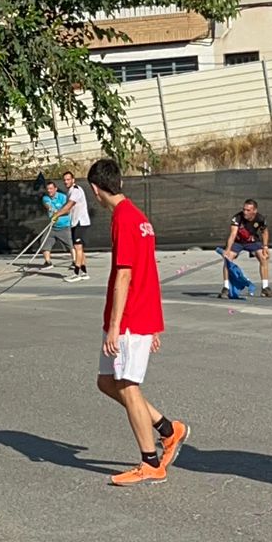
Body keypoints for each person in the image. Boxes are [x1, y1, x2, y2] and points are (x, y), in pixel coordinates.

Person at [89, 157, 188, 486]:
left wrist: (118, 326)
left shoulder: (123, 219)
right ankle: (166, 429)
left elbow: (126, 274)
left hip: (129, 317)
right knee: (107, 382)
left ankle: (150, 462)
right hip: (136, 315)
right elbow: (150, 272)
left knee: (128, 385)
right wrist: (153, 324)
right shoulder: (138, 217)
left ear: (95, 189)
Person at [222, 198, 272, 298]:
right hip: (238, 242)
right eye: (244, 209)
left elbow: (264, 232)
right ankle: (226, 288)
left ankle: (265, 288)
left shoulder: (260, 219)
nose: (245, 212)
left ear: (254, 211)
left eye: (248, 210)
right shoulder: (237, 218)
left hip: (252, 241)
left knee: (263, 258)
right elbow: (232, 234)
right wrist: (227, 250)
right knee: (228, 259)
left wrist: (265, 246)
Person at [37, 176, 73, 269]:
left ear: (55, 189)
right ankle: (48, 262)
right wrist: (50, 208)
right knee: (44, 241)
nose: (49, 191)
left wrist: (58, 214)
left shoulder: (63, 197)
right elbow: (47, 205)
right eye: (48, 189)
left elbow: (68, 210)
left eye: (51, 189)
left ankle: (75, 262)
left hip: (64, 226)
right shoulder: (46, 198)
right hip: (52, 227)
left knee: (71, 245)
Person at [63, 168, 91, 280]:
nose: (66, 182)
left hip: (81, 222)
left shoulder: (76, 190)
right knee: (80, 249)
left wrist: (56, 215)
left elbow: (69, 206)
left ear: (73, 180)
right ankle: (84, 273)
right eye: (64, 180)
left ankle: (76, 273)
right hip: (75, 222)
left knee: (77, 248)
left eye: (68, 179)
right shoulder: (69, 191)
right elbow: (68, 209)